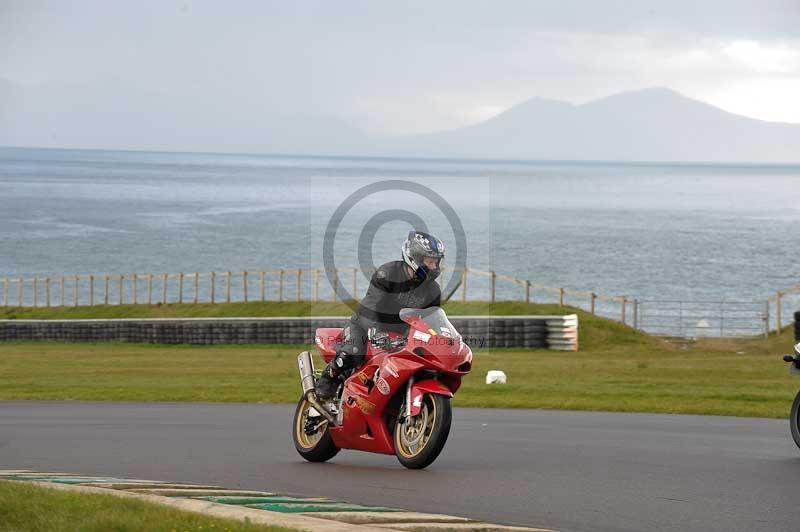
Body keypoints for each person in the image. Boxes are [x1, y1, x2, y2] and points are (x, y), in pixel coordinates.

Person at [314, 230, 445, 400]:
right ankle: (327, 379)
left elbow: (432, 321)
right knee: (353, 351)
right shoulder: (388, 273)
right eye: (430, 261)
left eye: (437, 262)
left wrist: (443, 339)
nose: (435, 267)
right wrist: (376, 332)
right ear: (415, 258)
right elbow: (371, 306)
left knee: (425, 367)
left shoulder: (433, 290)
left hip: (401, 337)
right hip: (364, 325)